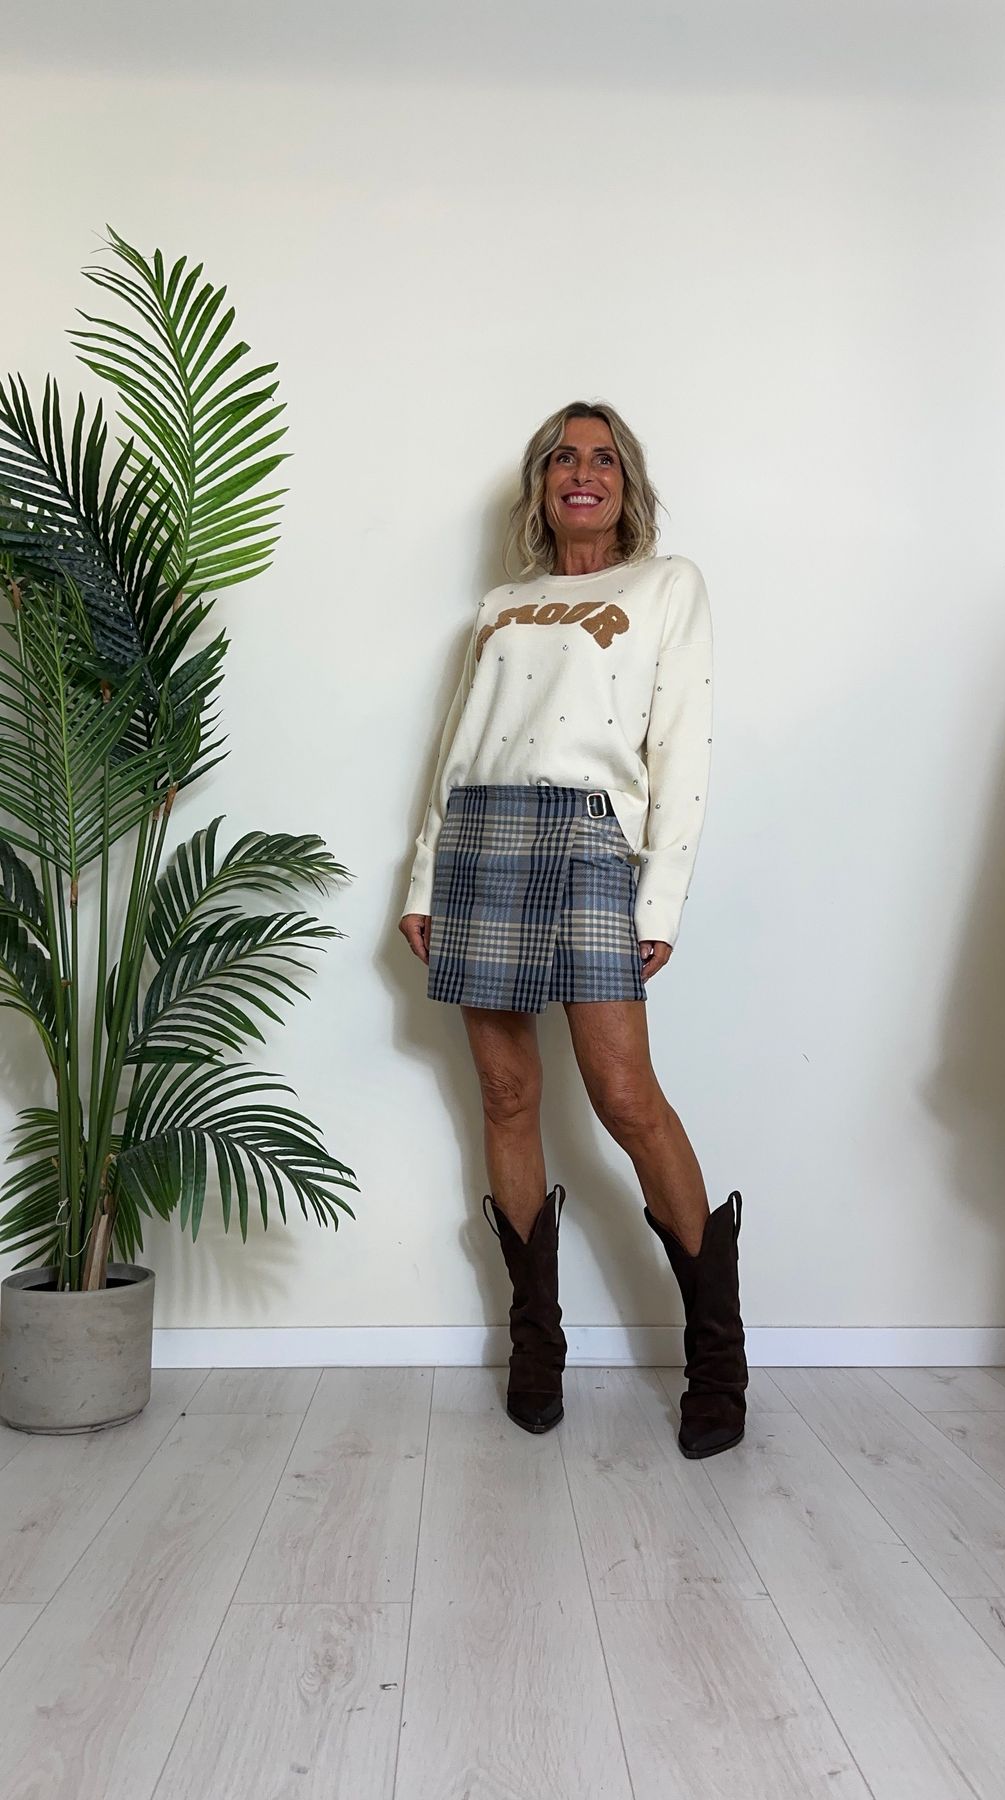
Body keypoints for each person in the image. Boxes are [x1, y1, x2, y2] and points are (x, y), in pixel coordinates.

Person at [398, 400, 748, 1459]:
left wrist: (660, 896)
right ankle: (535, 1342)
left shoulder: (665, 584)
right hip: (481, 835)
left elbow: (682, 744)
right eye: (562, 457)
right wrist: (422, 877)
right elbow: (456, 748)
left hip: (591, 837)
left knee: (624, 1099)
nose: (580, 472)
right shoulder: (500, 604)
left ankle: (717, 1358)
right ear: (540, 484)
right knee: (506, 1095)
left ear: (624, 484)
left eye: (601, 459)